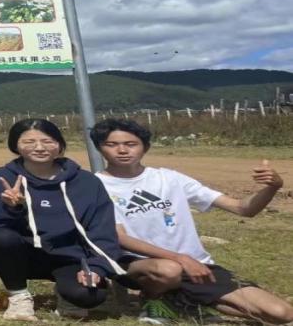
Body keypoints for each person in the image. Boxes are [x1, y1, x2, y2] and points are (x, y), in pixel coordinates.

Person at [91, 118, 293, 325]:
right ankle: (153, 299)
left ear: (145, 147)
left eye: (131, 144)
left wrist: (273, 187)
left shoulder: (170, 178)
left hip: (196, 264)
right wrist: (180, 258)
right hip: (138, 263)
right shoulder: (96, 186)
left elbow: (243, 208)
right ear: (99, 148)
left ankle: (187, 301)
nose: (122, 150)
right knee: (169, 270)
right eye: (111, 144)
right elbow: (120, 237)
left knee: (281, 313)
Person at [0, 118, 126, 321]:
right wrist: (8, 207)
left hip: (70, 257)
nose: (39, 148)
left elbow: (101, 229)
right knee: (0, 238)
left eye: (47, 141)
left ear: (59, 145)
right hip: (22, 255)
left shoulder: (87, 182)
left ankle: (66, 293)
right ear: (15, 146)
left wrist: (97, 267)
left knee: (90, 296)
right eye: (29, 142)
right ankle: (18, 295)